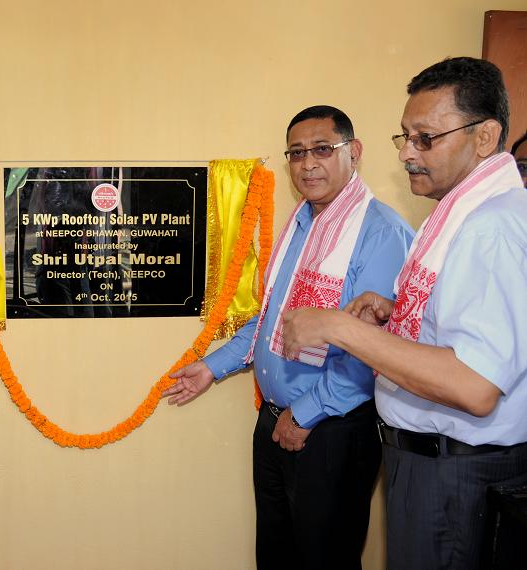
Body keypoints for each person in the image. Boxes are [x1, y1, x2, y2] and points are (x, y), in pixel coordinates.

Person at [282, 57, 527, 570]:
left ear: (484, 137)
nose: (407, 154)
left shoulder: (490, 228)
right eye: (406, 137)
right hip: (431, 465)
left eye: (426, 139)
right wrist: (398, 313)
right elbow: (464, 330)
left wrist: (338, 327)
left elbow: (475, 384)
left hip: (455, 476)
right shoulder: (462, 212)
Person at [163, 106, 414, 570]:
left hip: (330, 429)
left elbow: (374, 348)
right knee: (276, 556)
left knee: (324, 560)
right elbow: (270, 319)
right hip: (276, 421)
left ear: (354, 151)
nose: (308, 164)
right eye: (297, 153)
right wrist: (212, 367)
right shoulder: (301, 223)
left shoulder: (381, 233)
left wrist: (305, 413)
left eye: (322, 149)